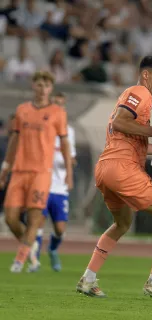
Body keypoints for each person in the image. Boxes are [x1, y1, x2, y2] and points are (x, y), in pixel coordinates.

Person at [76, 55, 152, 299]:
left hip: (106, 168)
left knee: (122, 223)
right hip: (122, 169)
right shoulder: (139, 92)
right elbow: (122, 122)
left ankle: (88, 280)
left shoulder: (136, 98)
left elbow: (129, 134)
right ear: (146, 75)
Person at [0, 71, 73, 273]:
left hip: (41, 173)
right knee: (10, 218)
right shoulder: (22, 110)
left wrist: (68, 172)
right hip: (19, 171)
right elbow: (14, 141)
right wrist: (5, 169)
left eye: (46, 86)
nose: (42, 89)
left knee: (34, 219)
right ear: (33, 86)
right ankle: (30, 246)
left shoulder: (58, 113)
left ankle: (20, 261)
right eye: (39, 85)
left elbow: (65, 144)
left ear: (51, 88)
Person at [30, 92, 76, 272]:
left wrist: (67, 163)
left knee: (59, 228)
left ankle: (53, 249)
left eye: (61, 104)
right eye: (56, 103)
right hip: (42, 183)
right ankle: (35, 260)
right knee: (38, 222)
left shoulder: (69, 131)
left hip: (60, 187)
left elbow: (72, 158)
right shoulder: (41, 127)